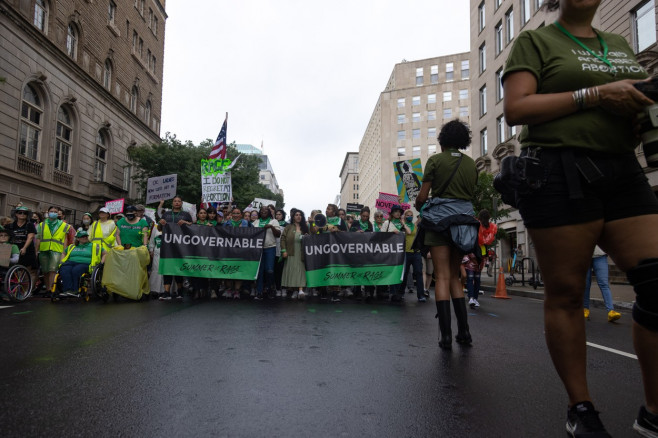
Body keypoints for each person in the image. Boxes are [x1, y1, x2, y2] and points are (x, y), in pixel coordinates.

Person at [502, 1, 658, 435]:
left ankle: (654, 413)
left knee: (656, 281)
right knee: (568, 293)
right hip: (557, 172)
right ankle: (581, 408)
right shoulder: (535, 40)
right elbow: (516, 109)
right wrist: (595, 94)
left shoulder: (619, 42)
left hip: (623, 169)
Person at [415, 119, 478, 350]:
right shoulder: (471, 164)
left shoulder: (435, 160)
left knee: (441, 277)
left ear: (442, 140)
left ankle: (446, 336)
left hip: (439, 223)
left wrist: (419, 205)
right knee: (454, 277)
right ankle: (464, 332)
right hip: (463, 224)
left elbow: (422, 197)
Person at [158, 196, 193, 301]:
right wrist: (161, 223)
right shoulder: (167, 214)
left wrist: (186, 223)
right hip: (167, 244)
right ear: (172, 203)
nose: (177, 203)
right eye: (175, 201)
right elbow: (160, 228)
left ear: (181, 203)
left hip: (181, 244)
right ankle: (166, 292)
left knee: (178, 266)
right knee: (167, 267)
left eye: (179, 201)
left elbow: (192, 226)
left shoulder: (186, 215)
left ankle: (180, 290)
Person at [36, 206, 72, 294]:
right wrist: (36, 250)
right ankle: (48, 289)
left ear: (58, 213)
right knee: (45, 271)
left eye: (55, 212)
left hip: (57, 250)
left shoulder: (64, 225)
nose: (53, 213)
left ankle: (52, 289)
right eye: (51, 211)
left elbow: (65, 240)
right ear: (48, 213)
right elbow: (38, 238)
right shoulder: (41, 225)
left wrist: (64, 252)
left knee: (52, 270)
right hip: (44, 249)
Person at [57, 230, 104, 297]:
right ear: (78, 238)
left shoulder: (94, 246)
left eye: (86, 236)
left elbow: (105, 253)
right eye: (82, 237)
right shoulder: (72, 246)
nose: (84, 237)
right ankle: (67, 290)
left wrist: (101, 263)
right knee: (64, 270)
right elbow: (64, 253)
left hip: (84, 263)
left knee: (76, 270)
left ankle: (75, 290)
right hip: (70, 262)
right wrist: (61, 261)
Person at [583, 246, 622, 323]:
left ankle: (611, 311)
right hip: (585, 256)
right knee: (586, 285)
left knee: (604, 284)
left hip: (600, 256)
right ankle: (585, 309)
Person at [381, 205, 410, 302]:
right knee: (392, 271)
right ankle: (390, 291)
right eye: (396, 211)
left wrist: (403, 223)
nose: (398, 213)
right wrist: (391, 233)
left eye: (399, 212)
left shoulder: (402, 223)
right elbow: (381, 236)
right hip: (390, 251)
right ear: (392, 213)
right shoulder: (387, 223)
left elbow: (408, 232)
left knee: (402, 271)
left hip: (401, 251)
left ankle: (398, 292)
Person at [252, 206, 281, 300]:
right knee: (260, 272)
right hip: (258, 249)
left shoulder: (274, 221)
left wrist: (271, 227)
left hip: (270, 248)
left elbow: (278, 234)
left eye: (266, 210)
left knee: (269, 270)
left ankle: (269, 288)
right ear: (260, 212)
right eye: (262, 210)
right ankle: (259, 291)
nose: (264, 211)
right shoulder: (255, 222)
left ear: (269, 212)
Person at [223, 207, 252, 299]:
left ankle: (236, 291)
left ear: (241, 215)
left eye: (237, 213)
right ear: (231, 214)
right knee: (228, 270)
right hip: (228, 250)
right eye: (234, 213)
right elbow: (220, 234)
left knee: (238, 270)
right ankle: (228, 289)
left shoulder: (246, 223)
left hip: (241, 250)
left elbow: (255, 232)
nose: (236, 215)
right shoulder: (226, 223)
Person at [281, 209, 309, 300]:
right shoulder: (288, 227)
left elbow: (312, 237)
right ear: (293, 217)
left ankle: (300, 290)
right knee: (292, 272)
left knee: (300, 271)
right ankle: (295, 290)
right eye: (296, 215)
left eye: (300, 215)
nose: (298, 216)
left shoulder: (305, 227)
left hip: (301, 253)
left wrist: (307, 236)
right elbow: (283, 239)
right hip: (290, 252)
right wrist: (284, 251)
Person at [400, 209, 425, 303]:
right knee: (405, 274)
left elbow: (421, 216)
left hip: (416, 252)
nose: (410, 216)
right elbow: (408, 232)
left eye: (411, 215)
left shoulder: (415, 225)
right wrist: (403, 223)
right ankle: (401, 292)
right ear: (404, 216)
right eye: (408, 215)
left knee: (418, 273)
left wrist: (421, 208)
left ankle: (421, 295)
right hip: (406, 253)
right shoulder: (402, 226)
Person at [6, 206, 37, 277]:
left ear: (27, 215)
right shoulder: (10, 226)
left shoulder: (30, 225)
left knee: (27, 271)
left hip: (27, 250)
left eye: (25, 213)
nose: (22, 214)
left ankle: (27, 287)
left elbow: (30, 237)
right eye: (20, 212)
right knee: (15, 272)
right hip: (14, 250)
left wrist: (24, 248)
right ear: (16, 214)